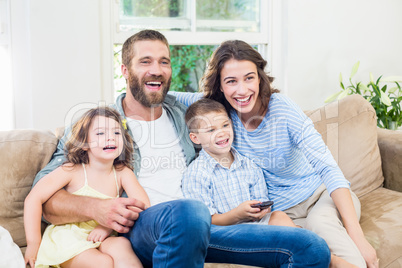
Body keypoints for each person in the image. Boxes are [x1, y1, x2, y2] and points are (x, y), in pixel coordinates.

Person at [33, 29, 331, 268]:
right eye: (145, 61)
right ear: (124, 69)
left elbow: (233, 93)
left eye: (164, 61)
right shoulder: (99, 125)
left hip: (209, 226)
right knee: (189, 212)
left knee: (311, 250)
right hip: (149, 228)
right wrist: (98, 209)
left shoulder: (184, 111)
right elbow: (44, 198)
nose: (157, 70)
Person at [172, 40, 379, 268]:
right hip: (279, 213)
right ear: (220, 86)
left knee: (322, 224)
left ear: (260, 78)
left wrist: (358, 237)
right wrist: (124, 97)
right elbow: (167, 95)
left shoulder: (282, 109)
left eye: (249, 78)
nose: (241, 90)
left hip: (320, 196)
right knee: (309, 251)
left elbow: (328, 168)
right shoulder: (218, 112)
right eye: (231, 81)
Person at [24, 107, 150, 268]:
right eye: (100, 133)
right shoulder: (72, 170)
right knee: (103, 263)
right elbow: (34, 198)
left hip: (104, 235)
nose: (110, 138)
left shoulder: (123, 173)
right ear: (84, 144)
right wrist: (33, 243)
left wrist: (106, 225)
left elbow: (143, 205)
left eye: (117, 133)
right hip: (69, 237)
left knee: (121, 246)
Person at [183, 98, 296, 228]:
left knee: (279, 216)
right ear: (195, 138)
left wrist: (260, 211)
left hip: (255, 225)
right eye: (211, 130)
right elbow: (205, 220)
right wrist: (237, 214)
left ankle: (298, 240)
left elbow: (263, 202)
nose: (221, 133)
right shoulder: (196, 174)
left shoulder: (249, 165)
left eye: (225, 125)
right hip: (226, 232)